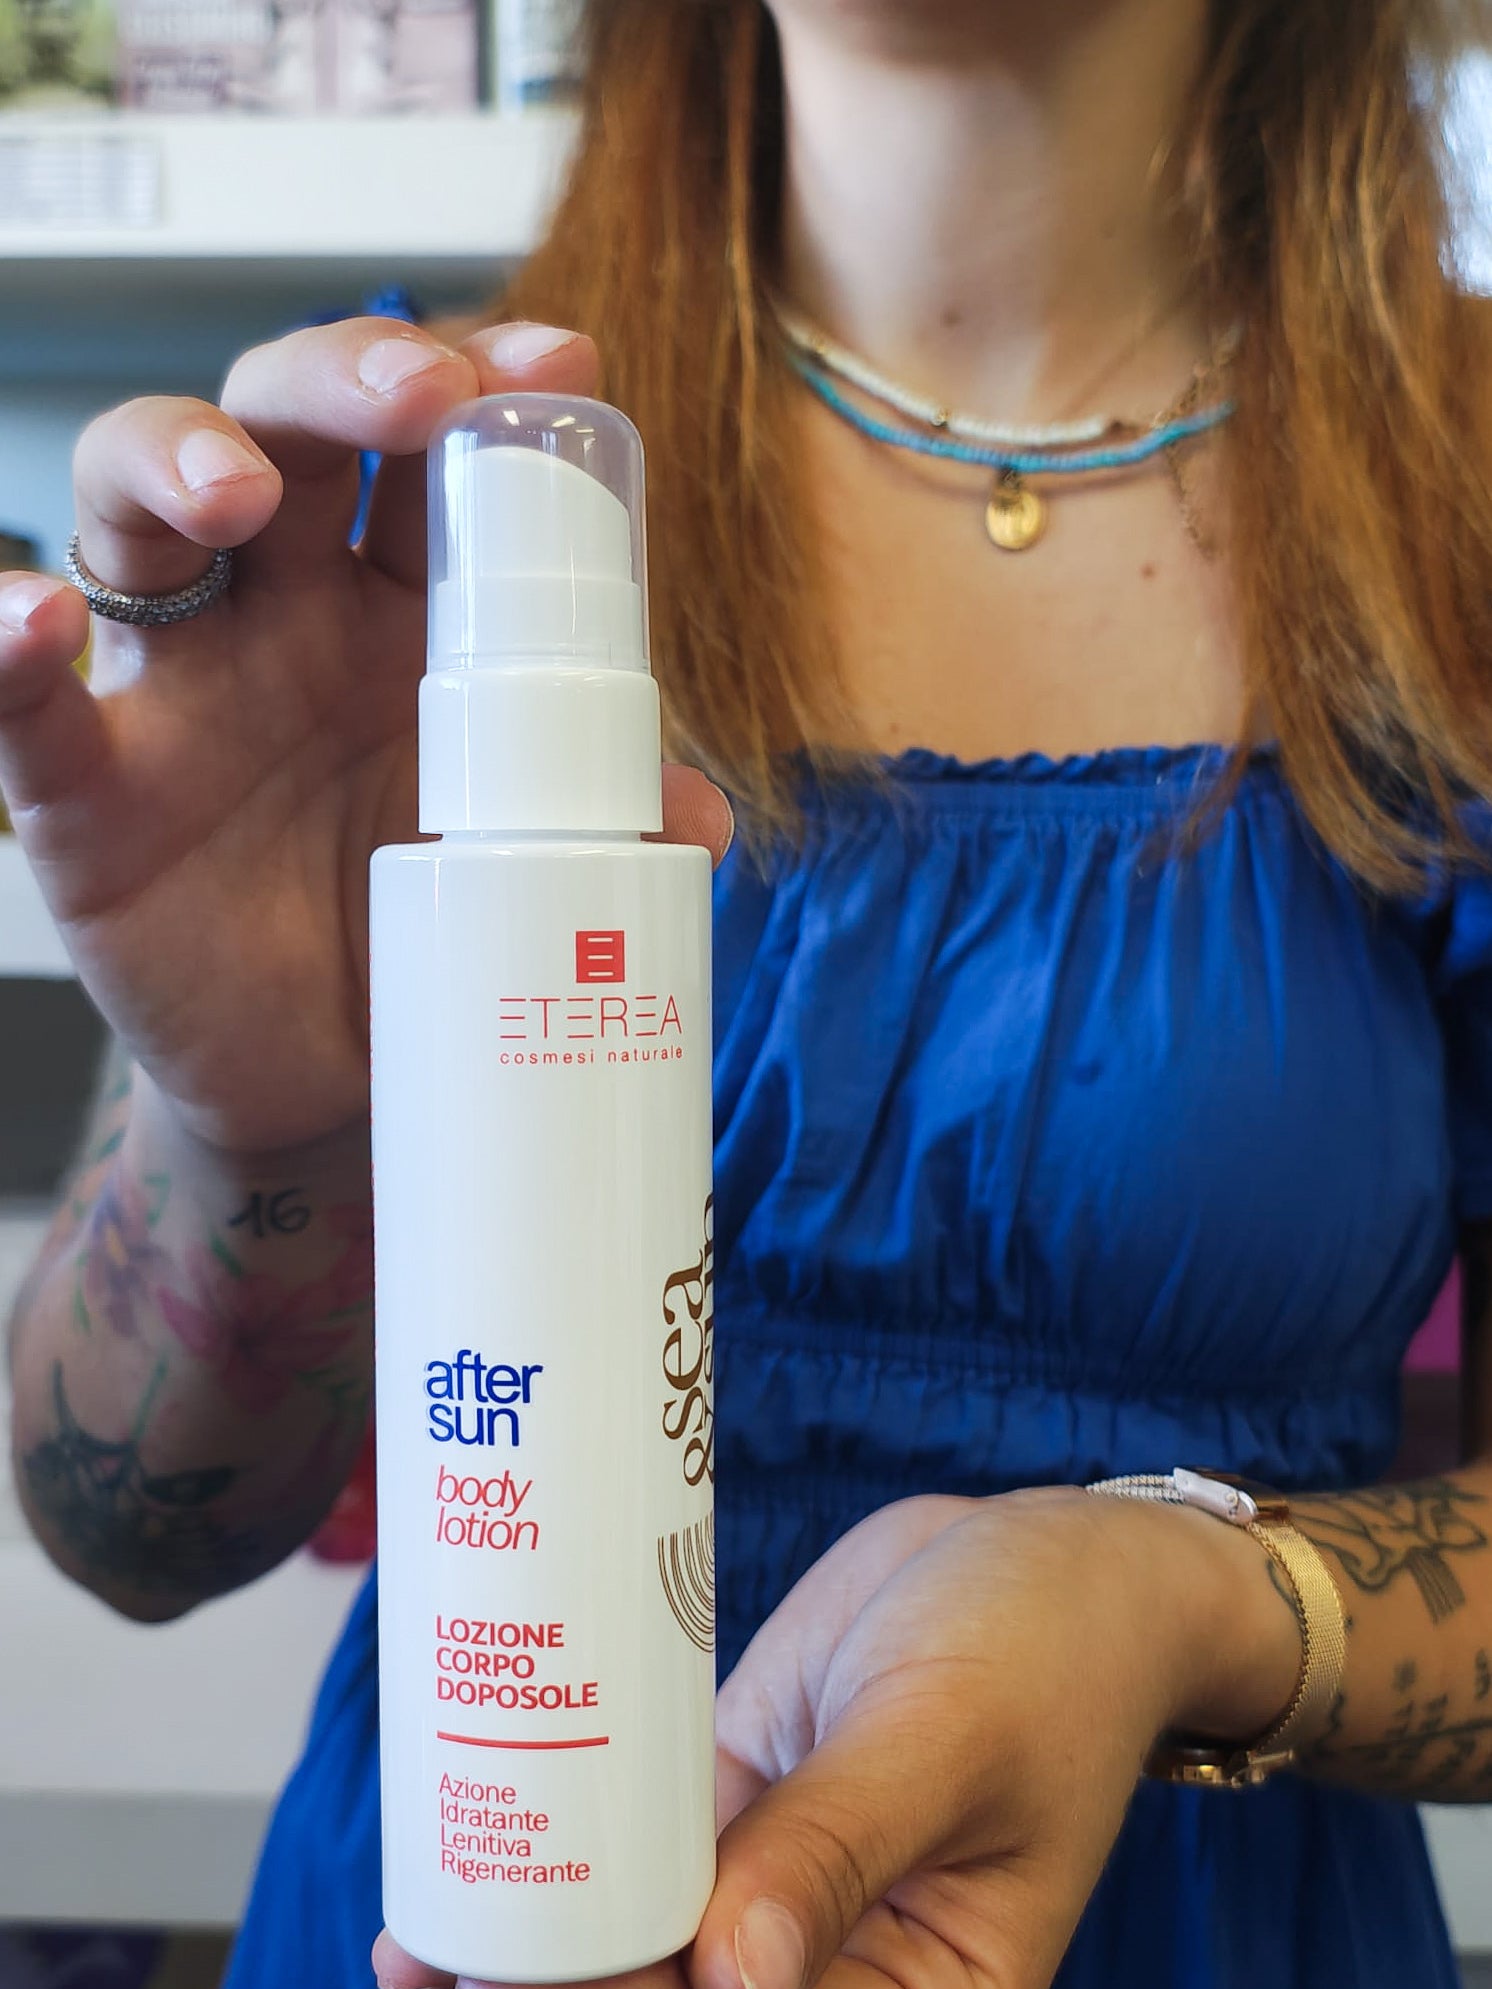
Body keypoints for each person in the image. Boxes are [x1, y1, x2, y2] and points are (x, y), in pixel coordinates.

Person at [5, 1, 1492, 1985]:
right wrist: (250, 1138)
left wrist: (1186, 1600)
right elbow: (124, 1533)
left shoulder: (1454, 481)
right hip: (475, 1861)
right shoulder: (407, 481)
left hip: (1212, 1908)